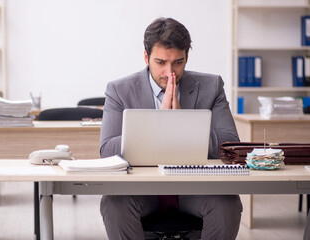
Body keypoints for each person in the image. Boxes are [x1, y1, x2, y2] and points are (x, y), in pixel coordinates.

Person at [99, 17, 242, 240]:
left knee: (228, 203)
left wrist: (183, 123)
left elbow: (230, 144)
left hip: (194, 189)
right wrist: (159, 121)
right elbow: (107, 149)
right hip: (141, 190)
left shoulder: (212, 86)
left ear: (187, 57)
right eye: (160, 62)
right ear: (146, 57)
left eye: (178, 62)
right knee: (113, 202)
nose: (170, 72)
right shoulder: (119, 90)